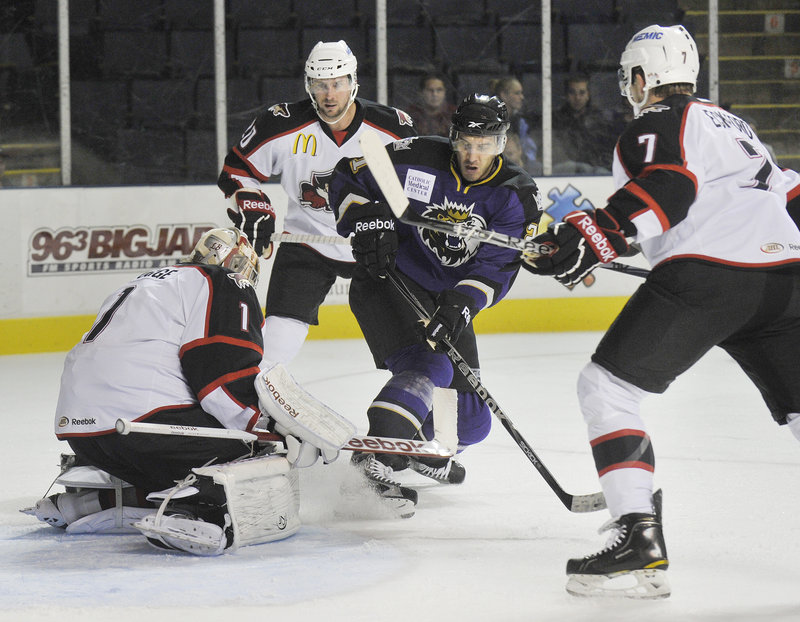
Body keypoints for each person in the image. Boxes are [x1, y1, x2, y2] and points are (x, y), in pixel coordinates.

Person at [523, 24, 800, 599]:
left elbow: (670, 185)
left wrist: (595, 234)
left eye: (630, 78)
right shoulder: (737, 127)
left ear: (644, 77)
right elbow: (790, 191)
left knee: (607, 389)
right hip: (785, 279)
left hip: (710, 278)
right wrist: (599, 238)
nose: (629, 90)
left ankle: (638, 538)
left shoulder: (654, 122)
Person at [24, 228, 354, 554]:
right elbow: (221, 378)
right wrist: (271, 430)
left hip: (83, 433)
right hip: (146, 425)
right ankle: (203, 511)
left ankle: (92, 501)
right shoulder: (224, 281)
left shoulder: (143, 282)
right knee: (252, 448)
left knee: (177, 458)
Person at [329, 94, 542, 515]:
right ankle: (372, 456)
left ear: (502, 143)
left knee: (469, 423)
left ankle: (407, 447)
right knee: (432, 367)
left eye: (485, 145)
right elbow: (348, 176)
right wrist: (368, 218)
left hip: (447, 301)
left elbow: (496, 266)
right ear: (453, 137)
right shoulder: (417, 157)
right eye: (466, 142)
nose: (473, 154)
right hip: (389, 280)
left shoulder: (513, 195)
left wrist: (462, 305)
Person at [218, 40, 416, 367]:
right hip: (306, 240)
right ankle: (249, 404)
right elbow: (237, 170)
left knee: (408, 341)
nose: (329, 94)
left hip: (375, 240)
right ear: (308, 85)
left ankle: (414, 397)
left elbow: (412, 190)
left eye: (337, 83)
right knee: (277, 340)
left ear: (354, 82)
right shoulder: (282, 124)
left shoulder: (391, 129)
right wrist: (252, 202)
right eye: (320, 84)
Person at [552, 73, 618, 175]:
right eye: (572, 92)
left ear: (588, 95)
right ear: (566, 95)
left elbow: (607, 152)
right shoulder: (556, 120)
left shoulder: (600, 120)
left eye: (582, 93)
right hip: (566, 172)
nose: (577, 97)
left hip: (595, 172)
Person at [490, 75, 541, 176]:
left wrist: (523, 159)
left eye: (521, 93)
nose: (522, 97)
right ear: (504, 95)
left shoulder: (520, 121)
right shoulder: (490, 120)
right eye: (517, 93)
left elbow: (528, 148)